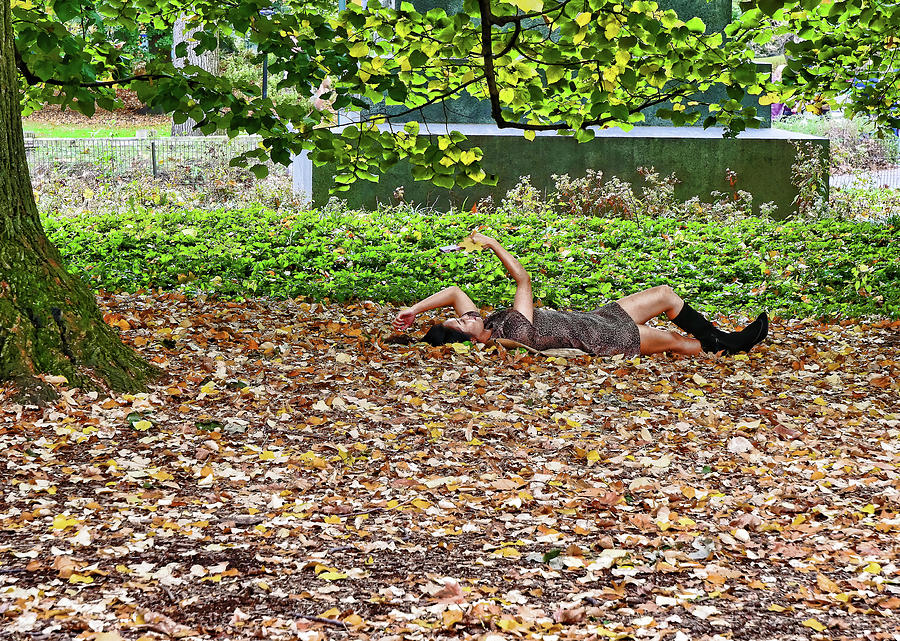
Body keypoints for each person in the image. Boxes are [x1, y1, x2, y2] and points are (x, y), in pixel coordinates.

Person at [391, 232, 768, 356]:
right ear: (468, 340)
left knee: (665, 294)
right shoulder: (510, 334)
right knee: (677, 343)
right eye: (462, 321)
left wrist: (413, 309)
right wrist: (492, 245)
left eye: (463, 314)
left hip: (598, 317)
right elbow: (523, 281)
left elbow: (455, 291)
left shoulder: (485, 323)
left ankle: (720, 339)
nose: (467, 314)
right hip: (606, 337)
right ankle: (724, 345)